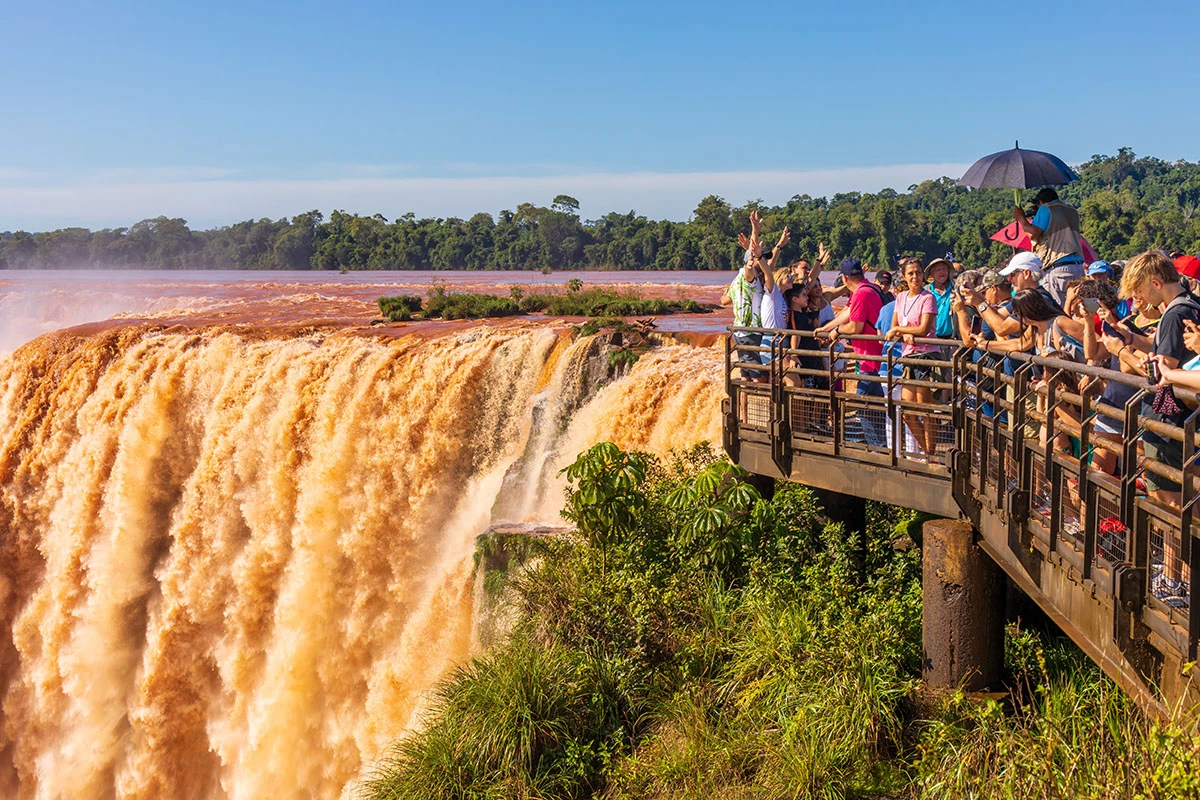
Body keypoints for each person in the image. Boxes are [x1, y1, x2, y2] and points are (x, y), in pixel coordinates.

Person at [1101, 250, 1200, 508]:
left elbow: (1161, 374)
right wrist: (1132, 339)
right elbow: (1169, 354)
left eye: (1140, 291)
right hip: (1184, 418)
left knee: (1169, 502)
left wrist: (1121, 351)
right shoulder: (1191, 304)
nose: (1140, 299)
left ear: (1156, 283)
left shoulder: (1173, 314)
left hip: (1169, 421)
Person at [815, 258, 886, 448]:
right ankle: (882, 445)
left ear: (844, 278)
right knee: (875, 406)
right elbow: (847, 312)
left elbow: (855, 326)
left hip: (870, 359)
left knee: (863, 405)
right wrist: (826, 328)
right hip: (872, 358)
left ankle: (878, 448)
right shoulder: (868, 288)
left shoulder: (862, 293)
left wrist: (837, 331)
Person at [885, 259, 940, 456]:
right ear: (904, 276)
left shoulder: (928, 297)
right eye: (910, 273)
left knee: (925, 408)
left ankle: (930, 454)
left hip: (926, 354)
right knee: (908, 411)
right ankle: (927, 452)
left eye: (918, 272)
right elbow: (893, 326)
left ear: (923, 275)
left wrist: (902, 331)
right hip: (909, 355)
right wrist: (904, 332)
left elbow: (924, 329)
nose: (915, 277)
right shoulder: (900, 297)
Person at [1013, 188, 1086, 307]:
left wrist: (1021, 218)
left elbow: (1033, 233)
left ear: (1041, 201)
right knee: (1078, 309)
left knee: (1057, 310)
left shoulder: (1046, 208)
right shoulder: (1072, 211)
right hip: (1077, 266)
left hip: (1057, 268)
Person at [924, 258, 956, 339]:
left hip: (952, 339)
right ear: (932, 274)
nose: (942, 272)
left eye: (944, 269)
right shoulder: (925, 292)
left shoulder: (955, 289)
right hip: (931, 339)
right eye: (938, 270)